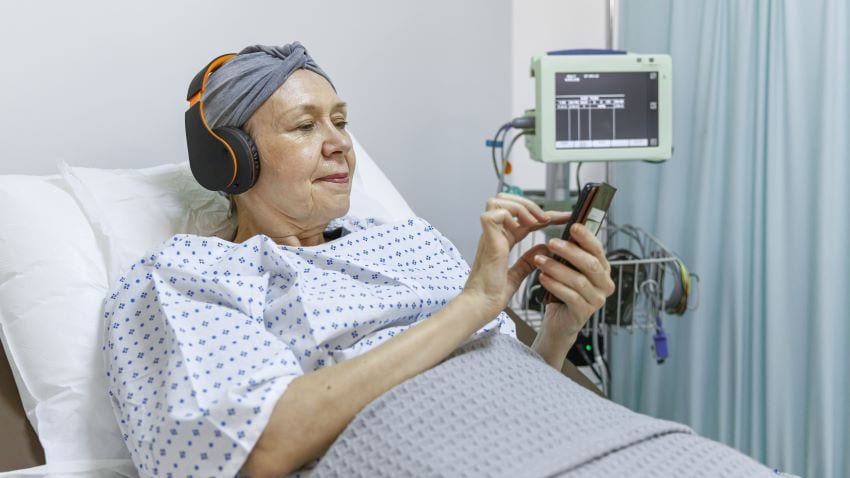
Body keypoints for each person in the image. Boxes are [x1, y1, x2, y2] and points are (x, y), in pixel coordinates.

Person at [103, 43, 776, 478]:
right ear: (232, 159)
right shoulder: (188, 275)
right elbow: (259, 446)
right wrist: (473, 307)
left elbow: (504, 380)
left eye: (341, 120)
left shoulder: (408, 238)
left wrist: (559, 329)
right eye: (306, 127)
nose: (339, 143)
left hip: (595, 441)